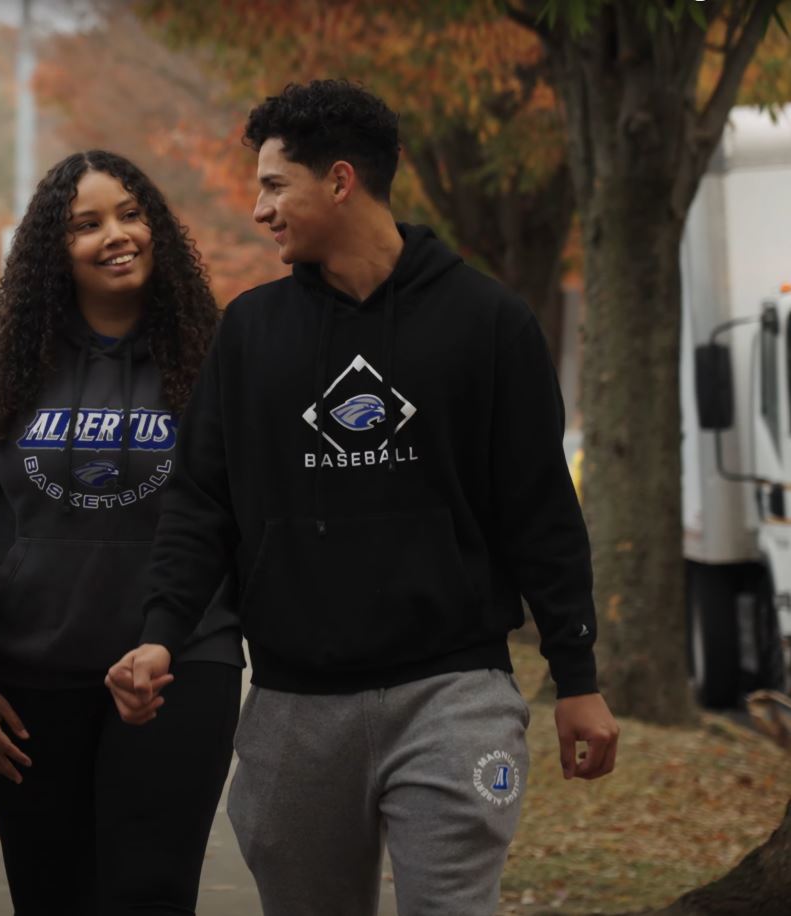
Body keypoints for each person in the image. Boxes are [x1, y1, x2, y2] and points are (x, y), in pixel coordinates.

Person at [106, 80, 622, 915]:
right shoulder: (250, 332)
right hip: (292, 704)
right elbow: (200, 502)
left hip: (454, 694)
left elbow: (540, 514)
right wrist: (161, 634)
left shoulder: (487, 322)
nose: (257, 209)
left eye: (275, 185)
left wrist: (577, 676)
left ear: (340, 180)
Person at [0, 150, 243, 914]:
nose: (117, 234)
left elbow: (242, 520)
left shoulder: (215, 362)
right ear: (51, 250)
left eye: (132, 214)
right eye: (87, 223)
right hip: (28, 679)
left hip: (179, 665)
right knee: (51, 895)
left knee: (148, 892)